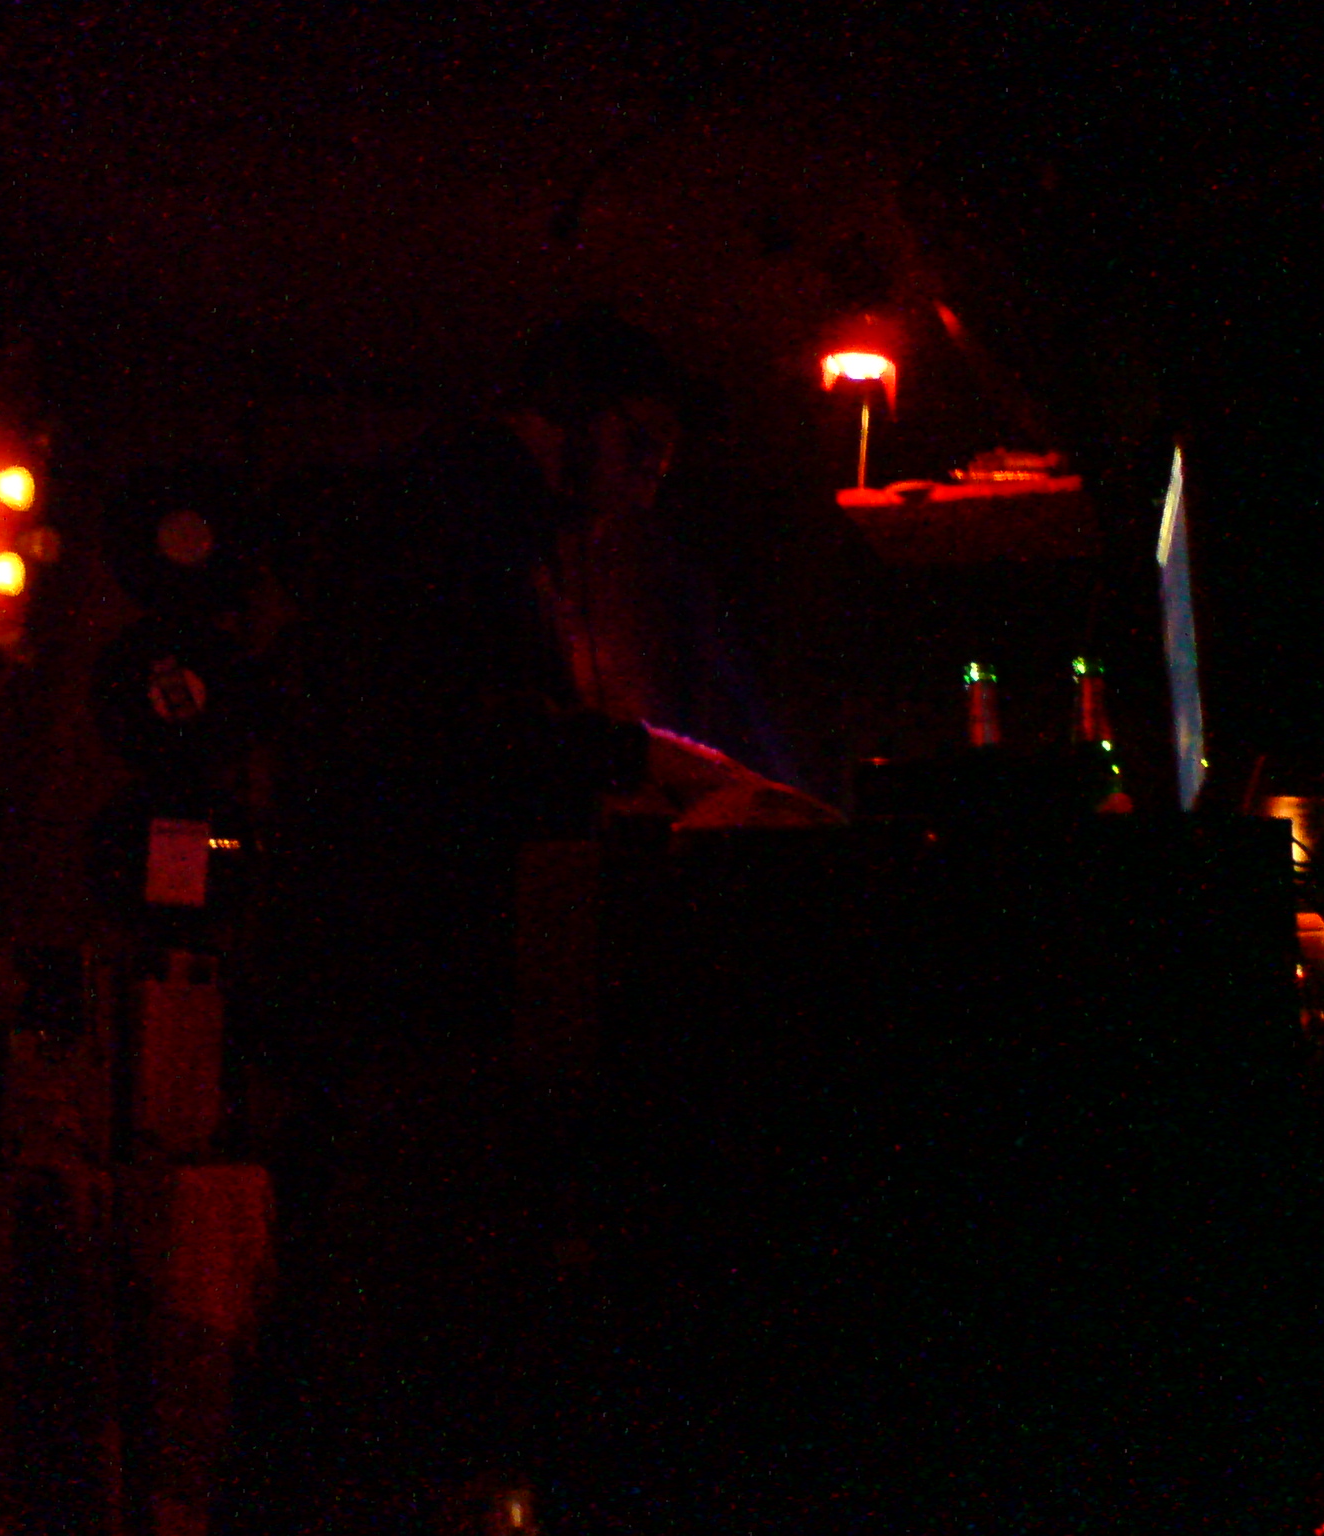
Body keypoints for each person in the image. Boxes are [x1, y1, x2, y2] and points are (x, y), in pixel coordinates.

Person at [228, 313, 827, 1532]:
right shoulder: (449, 523)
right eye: (640, 444)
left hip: (379, 986)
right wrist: (648, 762)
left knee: (377, 1300)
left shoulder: (470, 522)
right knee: (394, 1308)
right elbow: (446, 738)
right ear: (568, 413)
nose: (649, 481)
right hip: (401, 990)